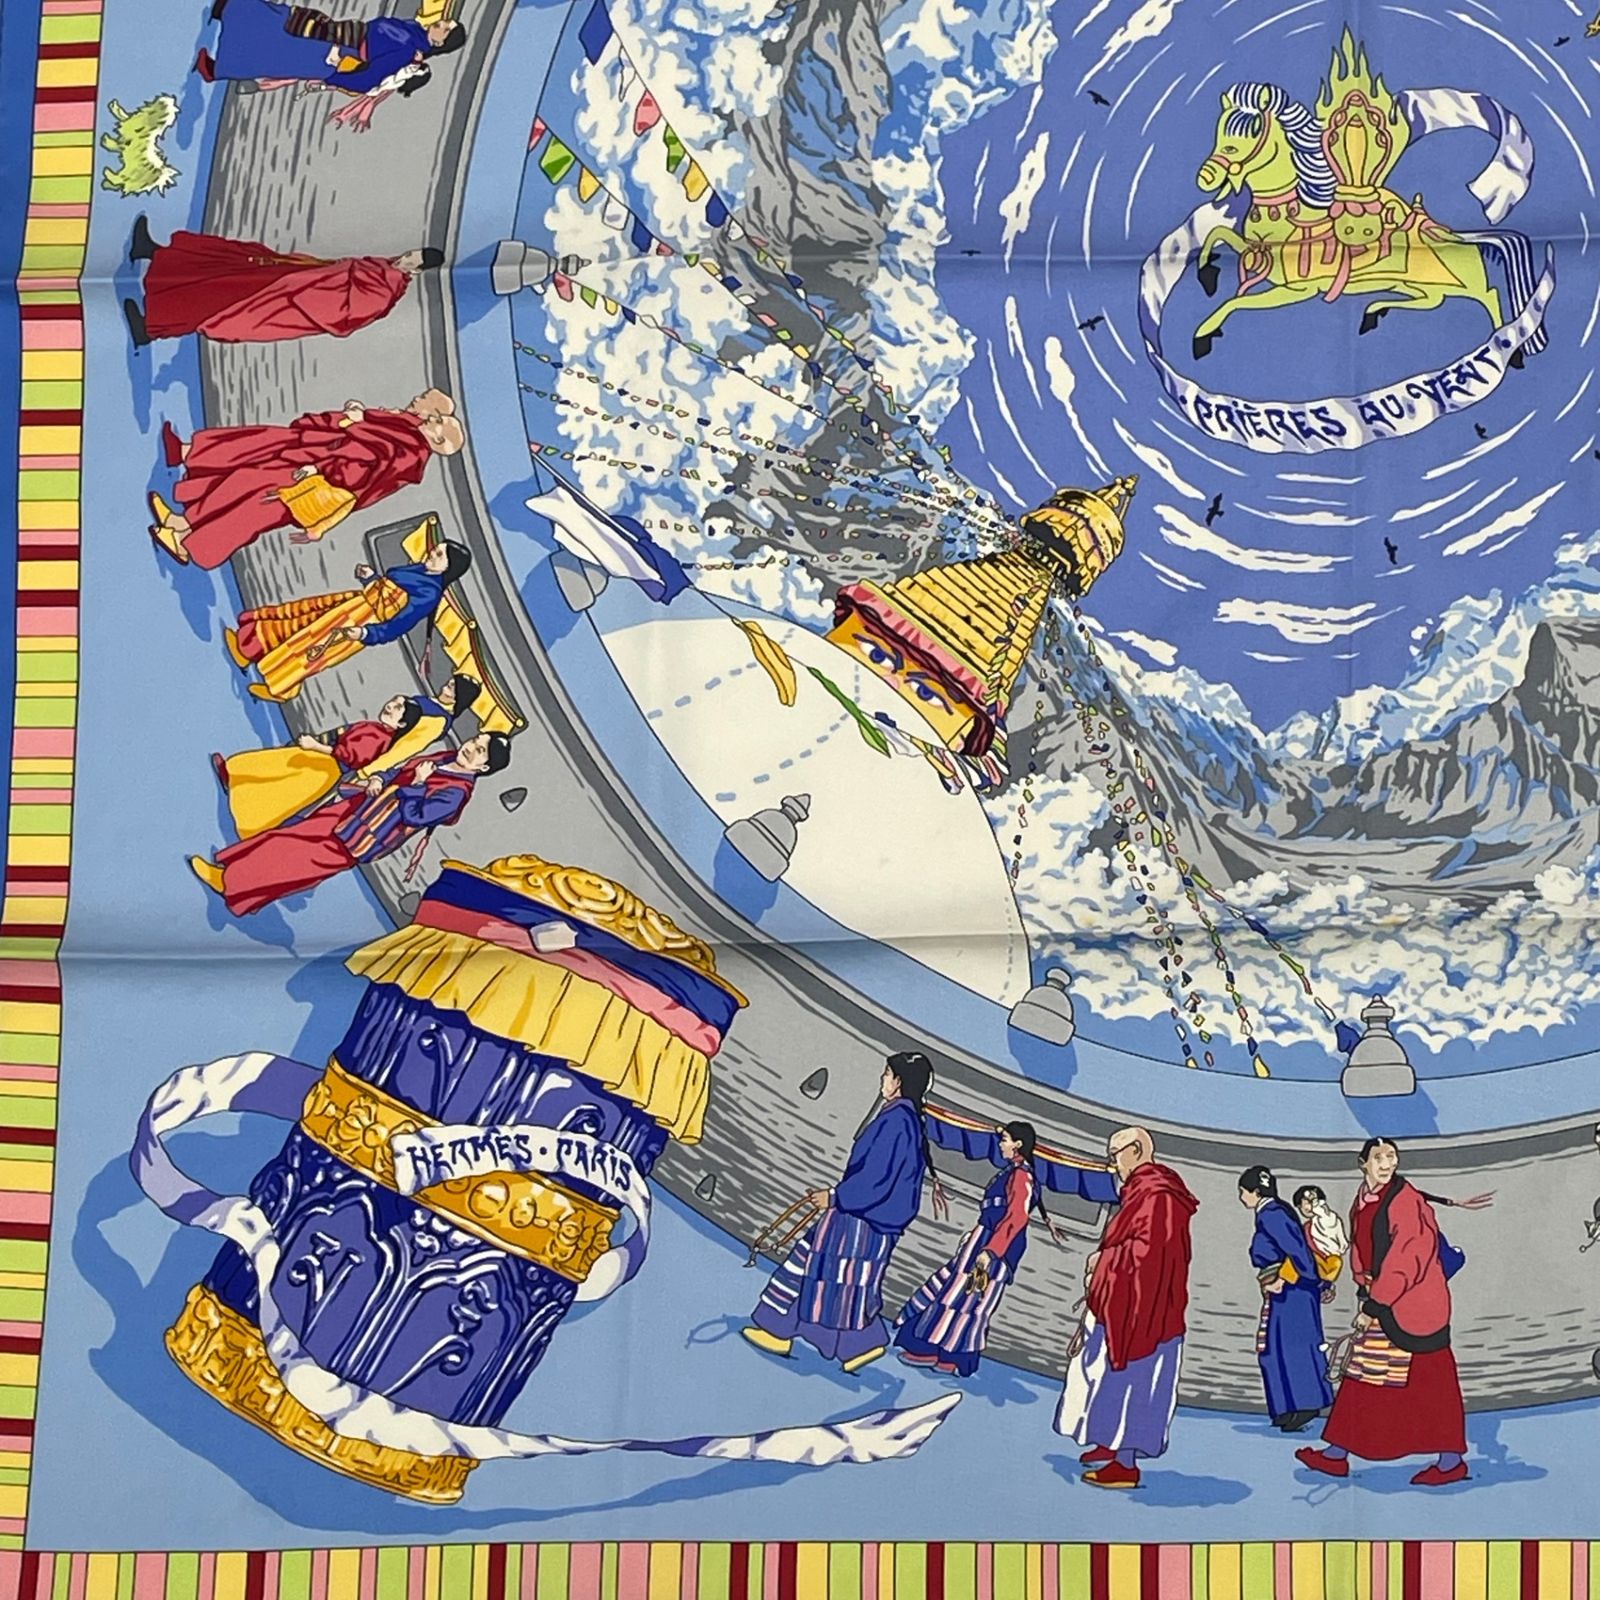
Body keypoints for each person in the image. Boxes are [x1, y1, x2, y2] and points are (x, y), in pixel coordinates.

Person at [742, 1051, 944, 1374]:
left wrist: (836, 1197)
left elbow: (876, 1178)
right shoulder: (906, 1121)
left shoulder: (896, 1122)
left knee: (828, 1274)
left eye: (887, 1074)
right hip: (871, 1218)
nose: (882, 1079)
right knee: (841, 1279)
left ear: (899, 1082)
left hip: (862, 1218)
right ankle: (833, 1339)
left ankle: (798, 1333)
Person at [1295, 1137, 1471, 1487]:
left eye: (1391, 1156)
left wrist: (1374, 1303)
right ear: (1363, 1163)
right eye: (1379, 1157)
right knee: (1363, 1373)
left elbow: (1408, 1258)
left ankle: (1451, 1461)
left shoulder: (1405, 1201)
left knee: (1431, 1381)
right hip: (1386, 1300)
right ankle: (1336, 1453)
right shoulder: (1363, 1199)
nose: (1387, 1163)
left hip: (1416, 1305)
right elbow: (1361, 1251)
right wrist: (1365, 1288)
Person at [189, 732, 509, 917]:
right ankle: (242, 884)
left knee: (298, 861)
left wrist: (417, 785)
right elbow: (399, 770)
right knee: (292, 836)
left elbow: (415, 816)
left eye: (480, 750)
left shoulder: (456, 793)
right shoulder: (445, 757)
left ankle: (230, 883)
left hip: (367, 833)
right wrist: (378, 778)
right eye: (475, 740)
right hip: (358, 806)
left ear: (484, 767)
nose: (470, 746)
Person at [146, 390, 464, 569]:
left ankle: (189, 544)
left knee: (251, 507)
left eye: (436, 420)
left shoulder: (409, 453)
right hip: (314, 460)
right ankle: (183, 523)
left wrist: (323, 465)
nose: (428, 415)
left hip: (314, 480)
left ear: (438, 439)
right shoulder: (408, 437)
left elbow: (361, 469)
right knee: (245, 482)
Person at [1055, 1126, 1198, 1490]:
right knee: (1105, 1377)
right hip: (1122, 1305)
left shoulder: (1158, 1195)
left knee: (1135, 1385)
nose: (1112, 1164)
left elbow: (1147, 1257)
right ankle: (1107, 1441)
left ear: (1135, 1150)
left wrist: (1104, 1260)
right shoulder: (1143, 1191)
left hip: (1146, 1315)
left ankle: (1125, 1464)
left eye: (1115, 1154)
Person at [893, 1120, 1062, 1376]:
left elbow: (1016, 1218)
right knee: (958, 1293)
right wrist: (975, 1236)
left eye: (1004, 1140)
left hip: (995, 1245)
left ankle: (947, 1355)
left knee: (970, 1298)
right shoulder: (1014, 1173)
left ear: (1017, 1144)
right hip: (985, 1238)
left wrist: (991, 1251)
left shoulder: (1021, 1176)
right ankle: (938, 1350)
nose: (1001, 1145)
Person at [123, 217, 443, 347]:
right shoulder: (385, 269)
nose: (404, 258)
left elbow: (341, 315)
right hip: (291, 277)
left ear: (415, 271)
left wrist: (300, 291)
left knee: (220, 300)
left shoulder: (385, 292)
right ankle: (156, 253)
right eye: (409, 254)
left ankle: (151, 328)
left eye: (411, 261)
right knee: (231, 259)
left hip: (287, 299)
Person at [223, 541, 473, 703]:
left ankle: (280, 687)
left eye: (439, 554)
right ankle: (249, 647)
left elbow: (399, 623)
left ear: (449, 566)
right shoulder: (421, 569)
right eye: (435, 549)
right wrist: (371, 578)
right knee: (299, 619)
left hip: (362, 621)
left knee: (311, 649)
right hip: (354, 603)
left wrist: (365, 633)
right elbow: (387, 588)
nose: (431, 553)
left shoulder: (429, 593)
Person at [209, 692, 422, 840]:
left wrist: (316, 746)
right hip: (323, 761)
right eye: (393, 702)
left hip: (327, 766)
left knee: (282, 787)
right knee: (276, 769)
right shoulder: (376, 729)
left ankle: (247, 815)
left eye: (397, 708)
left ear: (401, 724)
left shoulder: (379, 738)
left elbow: (348, 757)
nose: (390, 706)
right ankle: (234, 776)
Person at [1239, 1165, 1334, 1433]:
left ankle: (1303, 1405)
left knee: (1292, 1347)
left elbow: (1297, 1251)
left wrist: (1312, 1280)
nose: (1242, 1197)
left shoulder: (1272, 1215)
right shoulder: (1273, 1213)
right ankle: (1286, 1408)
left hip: (1293, 1290)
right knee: (1277, 1348)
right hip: (1287, 1287)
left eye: (1243, 1191)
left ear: (1256, 1192)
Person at [195, 0, 464, 94]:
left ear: (440, 42)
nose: (441, 22)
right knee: (286, 20)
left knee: (277, 53)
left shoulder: (408, 52)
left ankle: (216, 69)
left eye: (445, 27)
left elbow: (368, 80)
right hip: (341, 34)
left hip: (335, 53)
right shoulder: (415, 31)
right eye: (445, 21)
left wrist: (336, 71)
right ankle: (231, 8)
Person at [1294, 1184, 1349, 1297]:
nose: (1309, 1206)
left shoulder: (1328, 1219)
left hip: (1327, 1263)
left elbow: (1329, 1222)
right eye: (1304, 1202)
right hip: (1311, 1266)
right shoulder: (1306, 1227)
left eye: (1313, 1201)